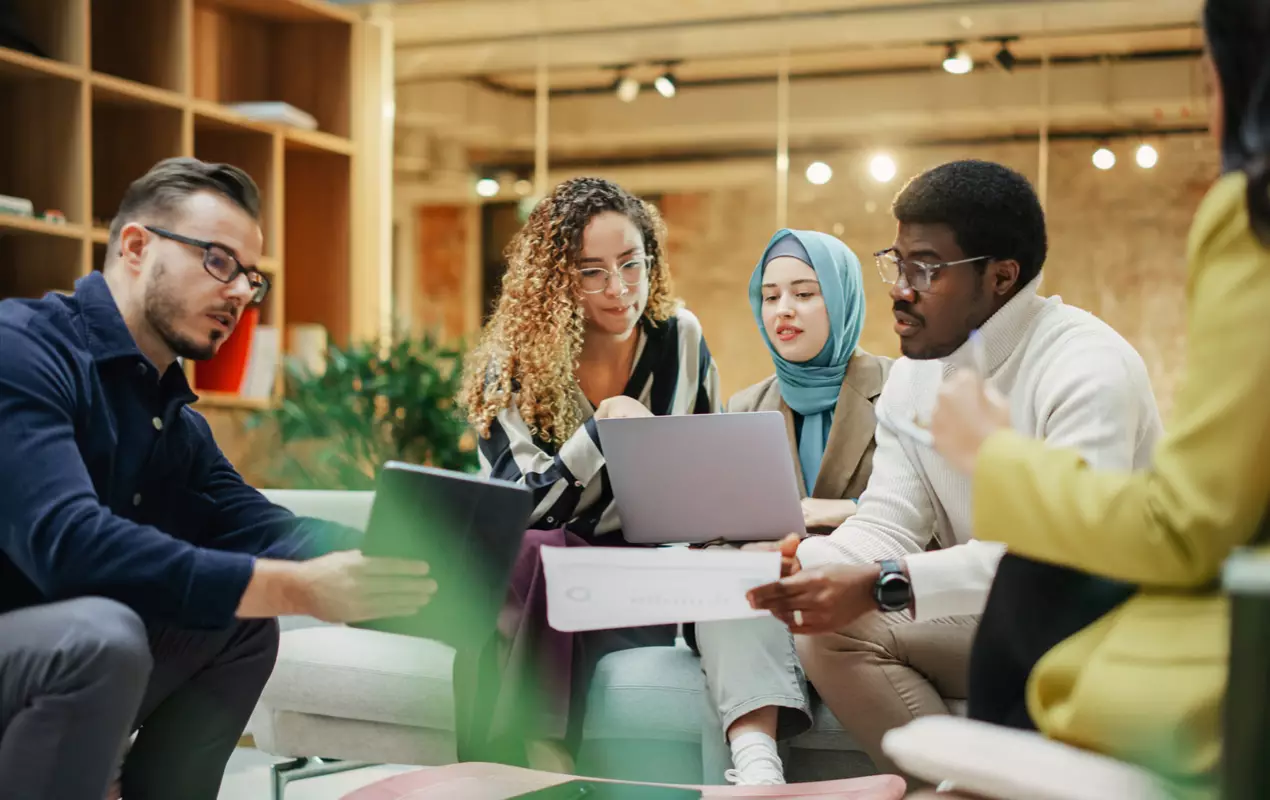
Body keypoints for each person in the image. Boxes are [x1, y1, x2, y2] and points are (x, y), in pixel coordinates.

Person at [0, 157, 437, 800]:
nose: (239, 291)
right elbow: (70, 545)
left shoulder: (172, 421)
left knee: (238, 627)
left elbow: (262, 527)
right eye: (218, 260)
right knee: (104, 639)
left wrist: (419, 555)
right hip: (31, 642)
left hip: (58, 660)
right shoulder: (23, 349)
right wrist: (293, 589)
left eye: (252, 279)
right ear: (136, 245)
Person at [923, 1, 1270, 796]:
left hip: (1235, 649)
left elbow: (1185, 526)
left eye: (1212, 85)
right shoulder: (921, 371)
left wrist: (992, 456)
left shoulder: (1249, 218)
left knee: (1030, 597)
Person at [746, 159, 1163, 776]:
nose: (900, 288)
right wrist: (798, 565)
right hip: (1001, 617)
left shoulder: (1088, 367)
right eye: (897, 262)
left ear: (1001, 277)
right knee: (826, 630)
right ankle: (958, 786)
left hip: (1104, 624)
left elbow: (1060, 563)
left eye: (926, 268)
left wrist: (878, 583)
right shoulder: (918, 370)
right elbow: (888, 523)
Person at [462, 177, 799, 786]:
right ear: (557, 279)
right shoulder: (508, 365)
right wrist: (603, 431)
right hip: (534, 579)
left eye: (631, 264)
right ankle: (548, 764)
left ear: (652, 260)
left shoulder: (680, 338)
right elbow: (524, 508)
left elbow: (704, 478)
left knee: (562, 561)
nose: (619, 289)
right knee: (542, 550)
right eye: (591, 271)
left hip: (635, 579)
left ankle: (530, 767)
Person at [714, 228, 890, 783]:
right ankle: (757, 766)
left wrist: (824, 513)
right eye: (770, 296)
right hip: (770, 599)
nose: (783, 310)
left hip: (863, 590)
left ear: (840, 298)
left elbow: (928, 512)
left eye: (804, 293)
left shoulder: (901, 388)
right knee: (727, 570)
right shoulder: (744, 406)